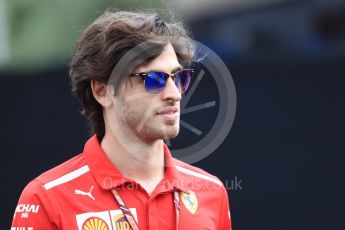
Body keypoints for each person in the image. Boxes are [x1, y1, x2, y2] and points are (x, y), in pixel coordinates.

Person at [11, 10, 232, 230]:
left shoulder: (211, 191)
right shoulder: (46, 199)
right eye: (154, 80)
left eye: (179, 77)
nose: (174, 94)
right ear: (102, 91)